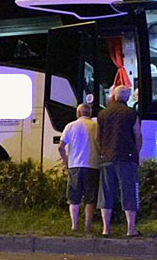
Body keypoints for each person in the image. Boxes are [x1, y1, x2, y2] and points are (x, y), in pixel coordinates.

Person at [97, 85, 143, 236]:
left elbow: (98, 138)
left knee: (106, 192)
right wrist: (136, 152)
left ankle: (106, 228)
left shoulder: (103, 114)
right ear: (127, 98)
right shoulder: (131, 113)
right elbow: (137, 135)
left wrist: (103, 151)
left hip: (107, 157)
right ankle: (131, 229)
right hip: (127, 157)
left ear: (114, 96)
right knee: (129, 191)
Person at [57, 103, 100, 232]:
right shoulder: (95, 126)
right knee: (90, 198)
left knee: (74, 197)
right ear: (90, 113)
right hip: (92, 165)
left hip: (74, 165)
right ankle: (87, 225)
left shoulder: (70, 126)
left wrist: (66, 161)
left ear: (78, 113)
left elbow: (60, 147)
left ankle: (74, 225)